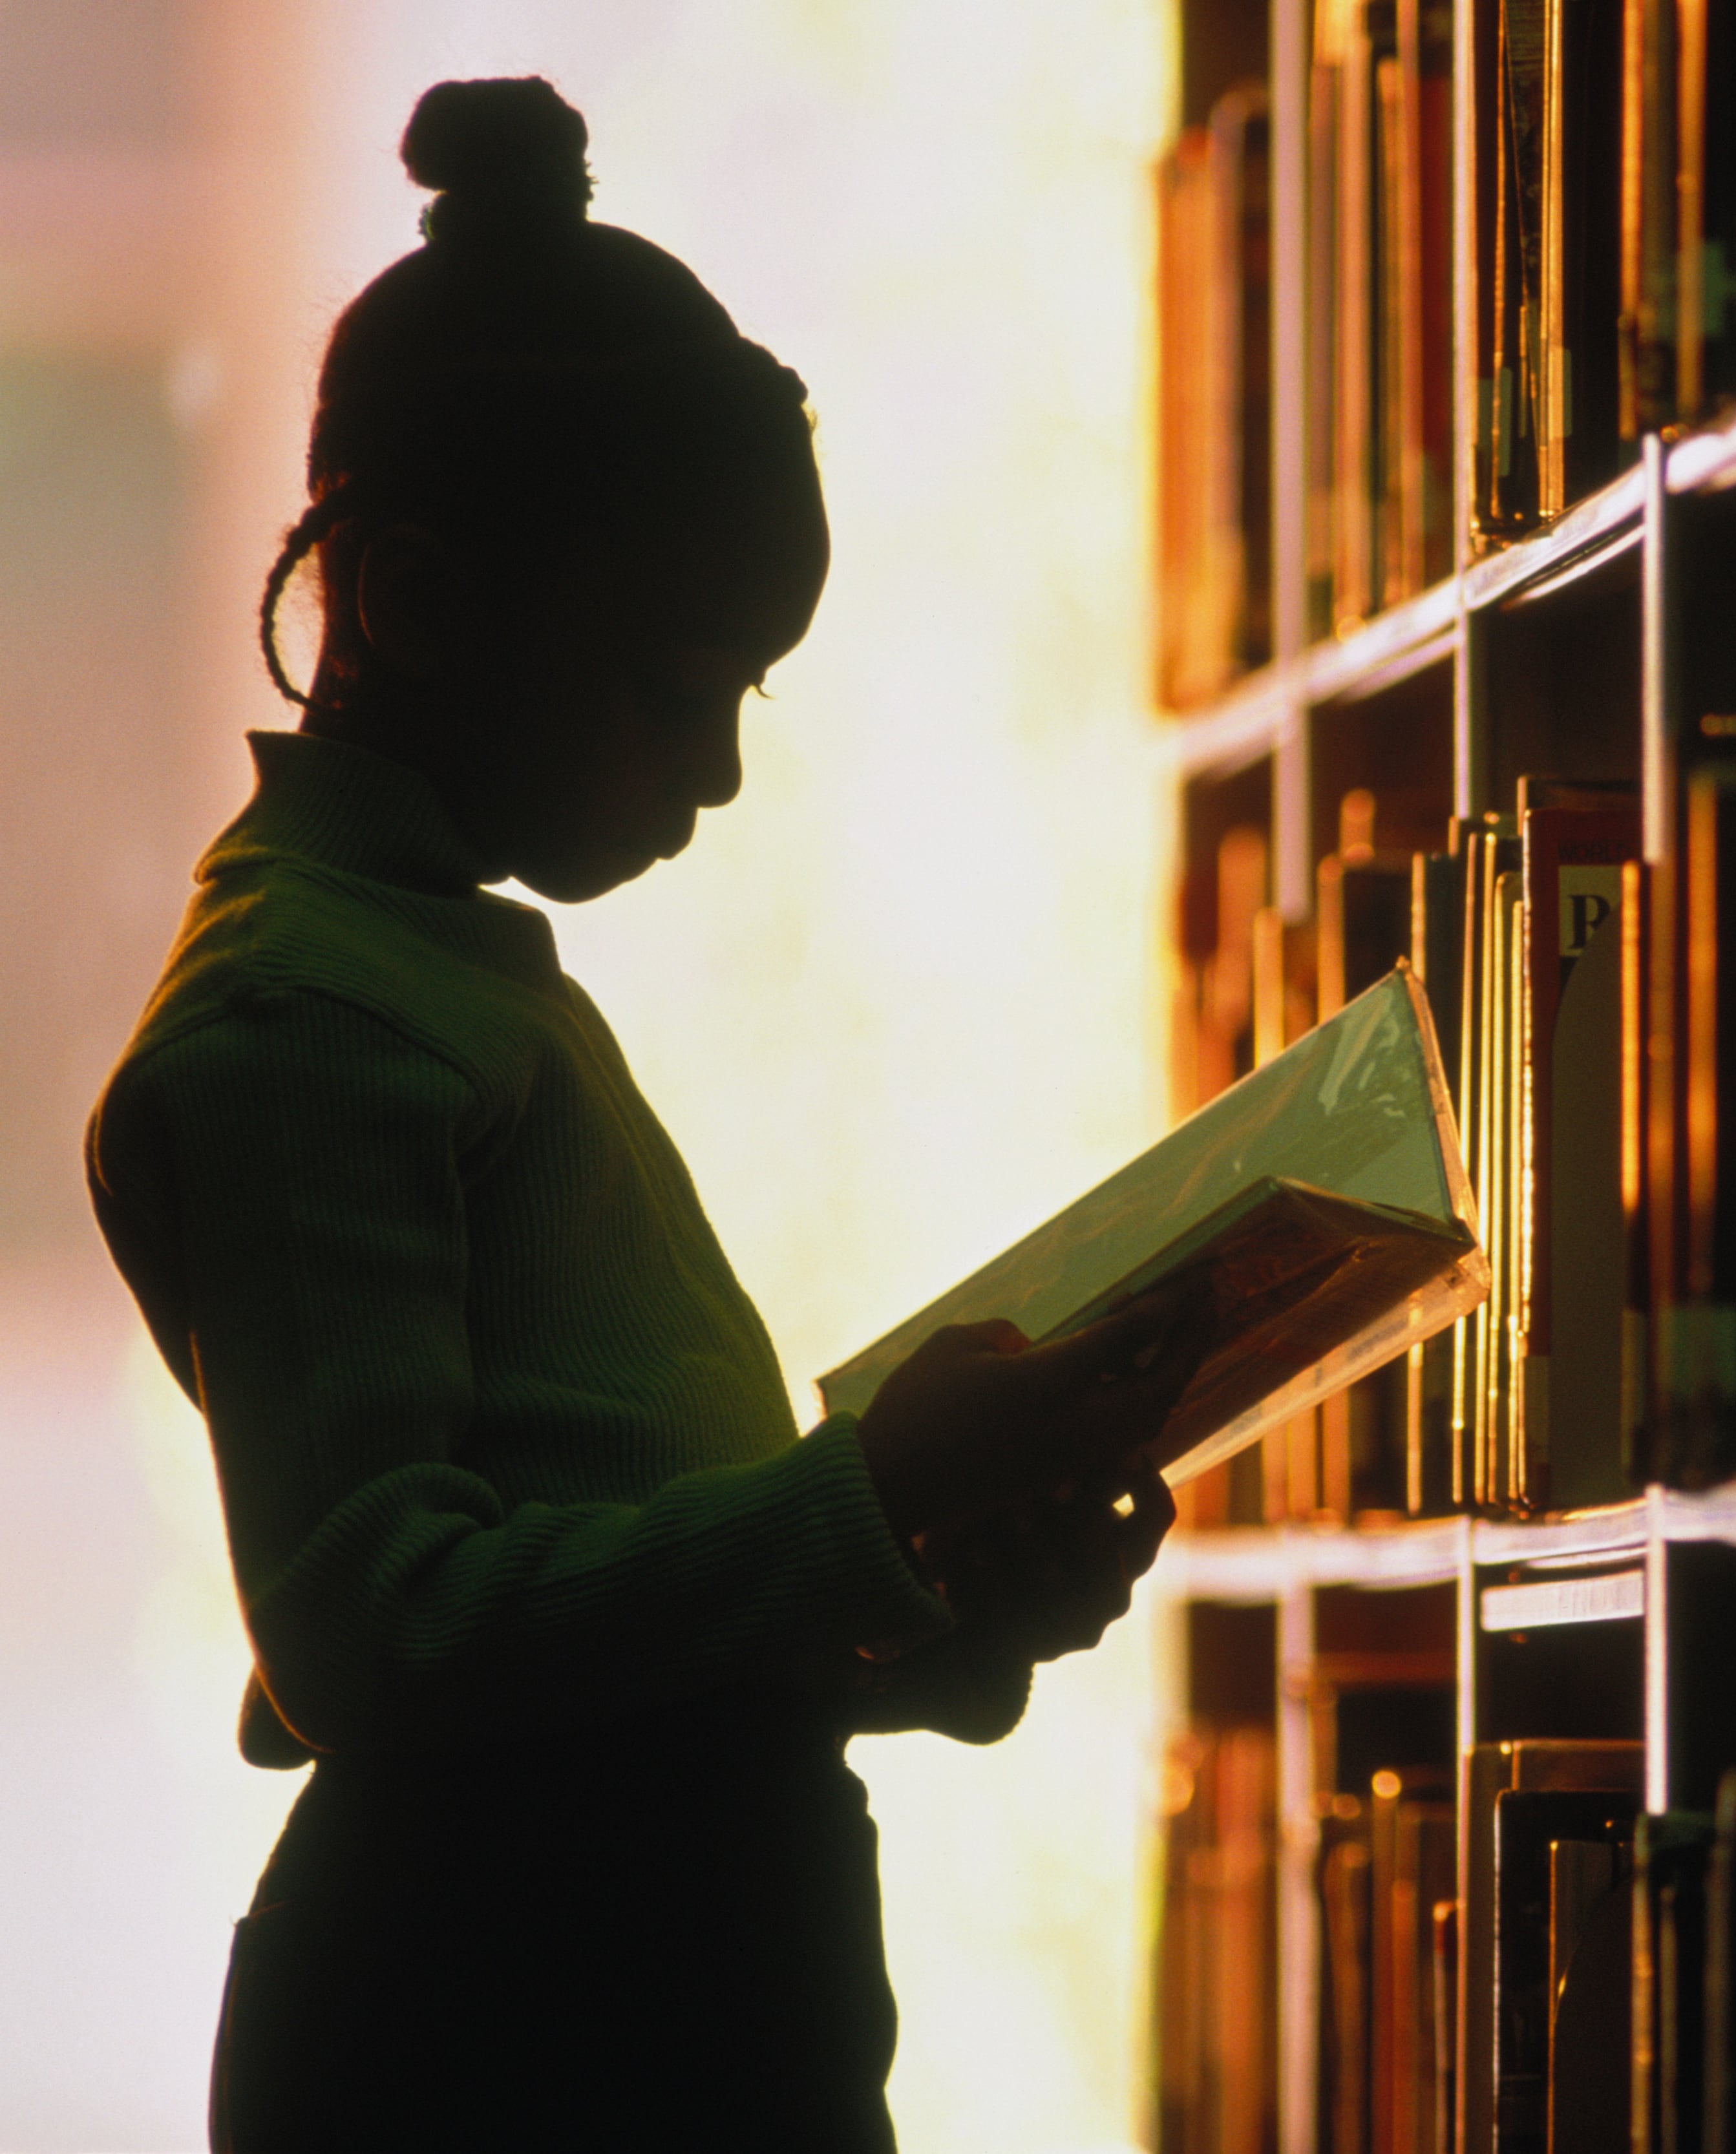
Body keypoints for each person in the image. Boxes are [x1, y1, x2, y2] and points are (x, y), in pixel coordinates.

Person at [83, 78, 1190, 2153]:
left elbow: (581, 1665)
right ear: (405, 604)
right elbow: (383, 1640)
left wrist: (931, 1592)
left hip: (628, 1996)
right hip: (501, 2032)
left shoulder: (436, 973)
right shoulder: (306, 1023)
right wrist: (862, 1500)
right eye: (676, 690)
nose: (722, 777)